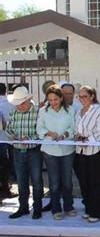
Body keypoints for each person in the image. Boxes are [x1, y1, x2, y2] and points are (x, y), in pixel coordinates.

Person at [37, 85, 76, 220]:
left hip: (67, 151)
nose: (53, 102)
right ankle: (56, 208)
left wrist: (65, 134)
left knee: (67, 182)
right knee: (54, 182)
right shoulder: (43, 111)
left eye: (55, 99)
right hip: (50, 151)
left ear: (61, 98)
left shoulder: (70, 110)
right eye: (50, 100)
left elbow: (73, 127)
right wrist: (49, 133)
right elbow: (39, 129)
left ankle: (69, 206)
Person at [5, 86, 43, 219]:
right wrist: (13, 136)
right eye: (17, 104)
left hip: (34, 151)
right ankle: (23, 208)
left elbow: (43, 133)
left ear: (29, 100)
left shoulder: (39, 112)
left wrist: (30, 139)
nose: (19, 107)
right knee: (21, 182)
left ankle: (37, 208)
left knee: (37, 181)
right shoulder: (13, 113)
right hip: (17, 151)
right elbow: (8, 130)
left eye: (21, 104)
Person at [75, 86, 100, 223]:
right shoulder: (78, 112)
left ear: (92, 96)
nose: (82, 99)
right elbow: (75, 129)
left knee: (96, 182)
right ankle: (89, 209)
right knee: (84, 181)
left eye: (85, 96)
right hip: (81, 151)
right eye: (80, 96)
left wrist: (87, 141)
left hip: (97, 151)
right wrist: (78, 137)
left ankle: (97, 212)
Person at [0, 83, 14, 198]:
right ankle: (5, 189)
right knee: (6, 166)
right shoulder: (11, 105)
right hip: (8, 141)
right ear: (5, 91)